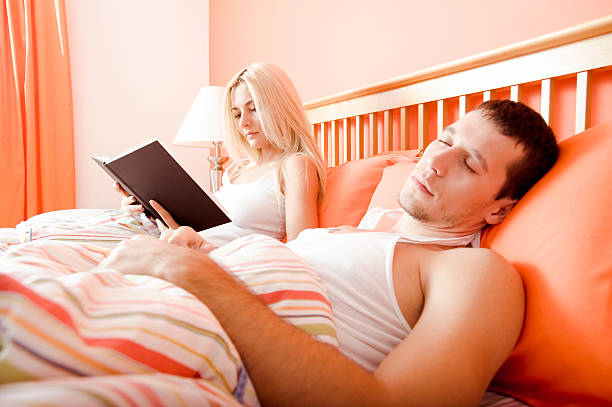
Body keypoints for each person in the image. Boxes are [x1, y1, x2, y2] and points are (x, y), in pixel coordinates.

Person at [101, 100, 559, 406]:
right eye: (445, 139)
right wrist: (198, 251)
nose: (434, 160)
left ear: (501, 209)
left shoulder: (474, 272)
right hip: (147, 299)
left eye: (469, 163)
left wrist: (190, 273)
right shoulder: (364, 231)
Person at [115, 62, 327, 245]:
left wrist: (196, 245)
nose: (243, 122)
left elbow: (303, 246)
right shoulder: (236, 171)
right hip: (181, 244)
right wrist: (146, 210)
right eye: (236, 114)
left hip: (213, 260)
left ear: (280, 108)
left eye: (253, 108)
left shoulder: (296, 165)